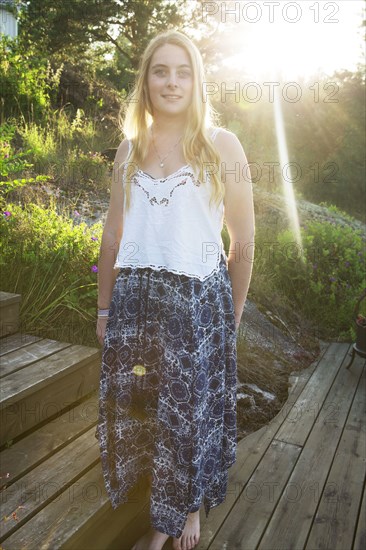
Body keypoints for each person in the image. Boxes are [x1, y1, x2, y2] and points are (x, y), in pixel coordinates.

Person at [95, 29, 255, 550]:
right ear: (146, 80)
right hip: (135, 304)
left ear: (197, 81)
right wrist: (102, 308)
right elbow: (114, 236)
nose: (171, 81)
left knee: (189, 415)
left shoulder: (221, 146)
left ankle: (178, 516)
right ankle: (167, 497)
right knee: (145, 410)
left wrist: (229, 318)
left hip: (196, 307)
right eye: (160, 70)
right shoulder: (128, 149)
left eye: (182, 71)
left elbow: (245, 240)